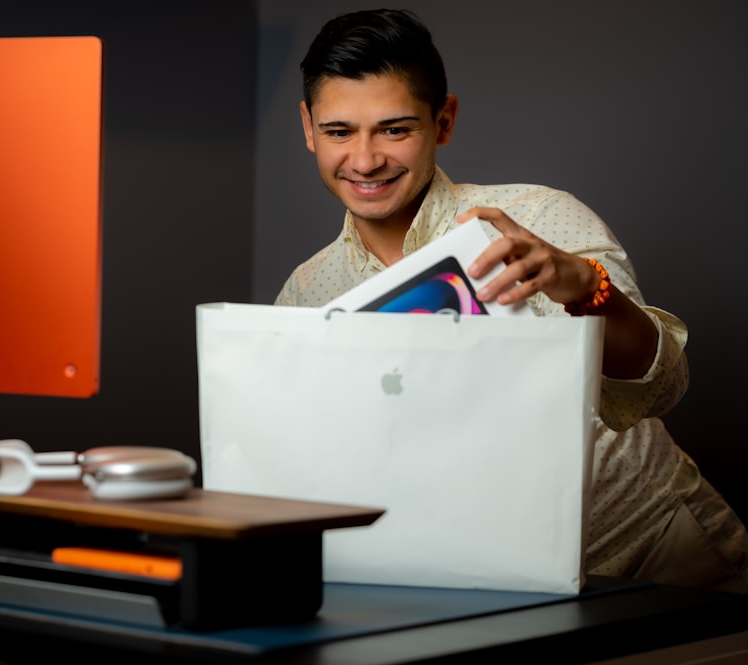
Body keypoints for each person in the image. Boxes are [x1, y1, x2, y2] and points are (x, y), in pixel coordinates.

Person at [275, 7, 748, 593]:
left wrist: (585, 289)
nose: (366, 159)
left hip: (655, 555)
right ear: (307, 128)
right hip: (483, 583)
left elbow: (662, 385)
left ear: (443, 120)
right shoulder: (303, 294)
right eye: (339, 131)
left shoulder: (541, 218)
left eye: (395, 129)